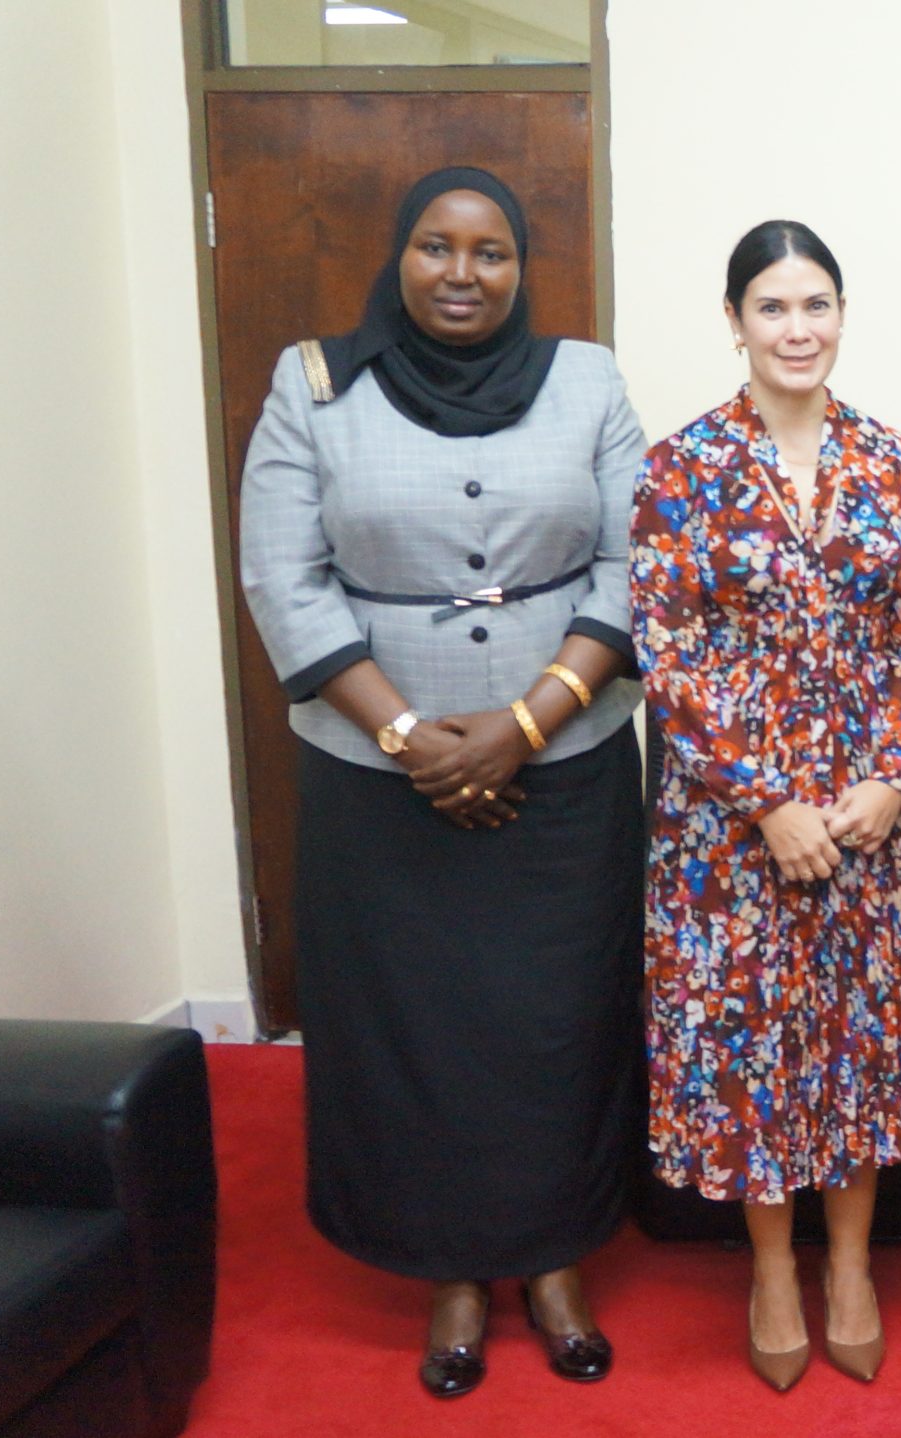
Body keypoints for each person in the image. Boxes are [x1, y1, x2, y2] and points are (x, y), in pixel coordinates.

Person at [238, 165, 644, 1399]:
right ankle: (452, 1275)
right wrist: (415, 736)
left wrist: (522, 723)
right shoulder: (314, 387)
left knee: (556, 1021)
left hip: (563, 767)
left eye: (489, 253)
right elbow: (280, 578)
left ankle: (557, 1257)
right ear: (398, 259)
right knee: (414, 1029)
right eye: (435, 248)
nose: (462, 274)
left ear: (523, 267)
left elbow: (636, 563)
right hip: (377, 779)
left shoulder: (589, 380)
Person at [632, 220, 901, 1392]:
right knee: (756, 1053)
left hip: (870, 819)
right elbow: (669, 654)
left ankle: (852, 1266)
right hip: (731, 833)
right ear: (734, 321)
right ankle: (771, 1269)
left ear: (842, 315)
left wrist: (886, 777)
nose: (796, 327)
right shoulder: (682, 468)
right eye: (772, 306)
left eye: (816, 303)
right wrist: (769, 801)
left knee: (858, 1050)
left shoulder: (896, 462)